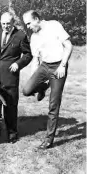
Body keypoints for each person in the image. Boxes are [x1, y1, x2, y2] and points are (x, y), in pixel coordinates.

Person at [22, 10, 72, 150]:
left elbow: (69, 46)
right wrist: (34, 78)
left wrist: (62, 66)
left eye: (29, 23)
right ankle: (44, 87)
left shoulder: (54, 25)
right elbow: (36, 59)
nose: (28, 27)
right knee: (27, 90)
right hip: (44, 66)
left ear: (37, 19)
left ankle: (49, 140)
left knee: (53, 105)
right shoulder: (34, 37)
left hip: (58, 67)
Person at [0, 12, 32, 143]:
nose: (5, 26)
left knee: (10, 105)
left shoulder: (20, 35)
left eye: (8, 23)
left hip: (10, 76)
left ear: (13, 22)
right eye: (3, 23)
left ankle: (12, 133)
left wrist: (18, 64)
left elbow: (28, 54)